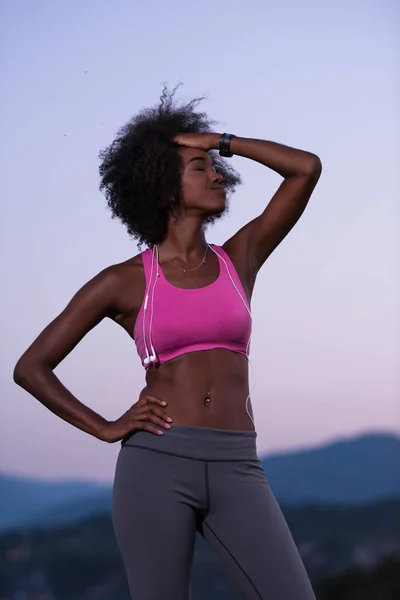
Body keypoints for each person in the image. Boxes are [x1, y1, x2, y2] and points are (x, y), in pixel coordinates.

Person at [13, 89, 322, 600]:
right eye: (199, 167)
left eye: (213, 166)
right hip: (156, 464)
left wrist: (218, 142)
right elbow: (32, 367)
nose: (217, 174)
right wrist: (106, 427)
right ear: (164, 186)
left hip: (237, 463)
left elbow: (305, 169)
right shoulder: (124, 281)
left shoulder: (238, 258)